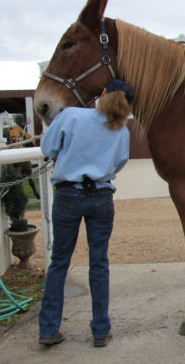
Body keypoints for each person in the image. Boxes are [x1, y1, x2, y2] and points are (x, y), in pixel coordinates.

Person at [38, 87, 131, 348]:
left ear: (103, 95)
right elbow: (119, 163)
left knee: (59, 262)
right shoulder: (121, 130)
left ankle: (48, 329)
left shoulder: (71, 116)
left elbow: (48, 147)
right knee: (99, 263)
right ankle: (100, 329)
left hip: (68, 194)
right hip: (101, 195)